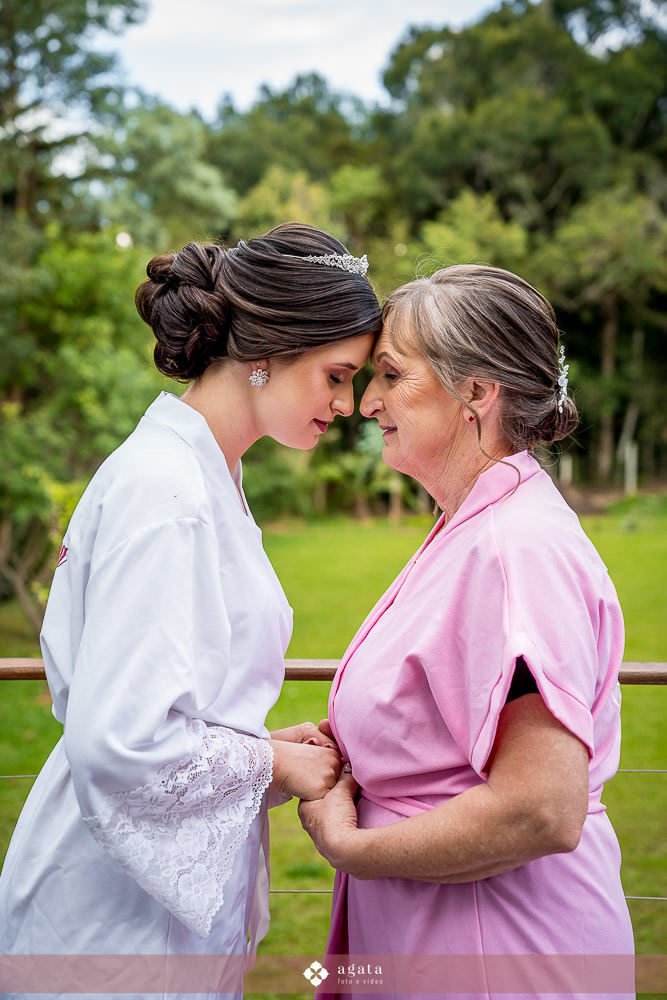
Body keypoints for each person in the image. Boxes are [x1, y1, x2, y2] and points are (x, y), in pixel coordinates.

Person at [0, 223, 380, 999]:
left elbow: (167, 701)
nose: (346, 405)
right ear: (267, 351)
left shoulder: (205, 476)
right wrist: (270, 762)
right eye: (337, 376)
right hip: (109, 926)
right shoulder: (166, 490)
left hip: (147, 908)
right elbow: (122, 738)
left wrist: (258, 749)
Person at [299, 265, 635, 1000]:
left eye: (389, 375)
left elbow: (540, 806)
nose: (366, 404)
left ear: (475, 393)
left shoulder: (515, 550)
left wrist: (352, 845)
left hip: (500, 957)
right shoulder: (473, 528)